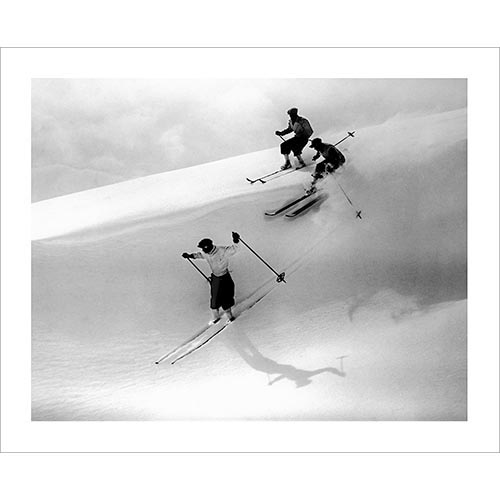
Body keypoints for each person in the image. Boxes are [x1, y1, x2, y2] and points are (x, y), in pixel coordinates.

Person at [182, 232, 240, 325]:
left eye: (204, 248)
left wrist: (236, 240)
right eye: (202, 249)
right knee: (215, 298)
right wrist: (190, 256)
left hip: (225, 277)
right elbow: (199, 255)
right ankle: (215, 317)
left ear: (209, 246)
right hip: (216, 278)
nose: (203, 250)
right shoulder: (205, 253)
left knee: (226, 296)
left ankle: (230, 316)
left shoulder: (222, 250)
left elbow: (234, 249)